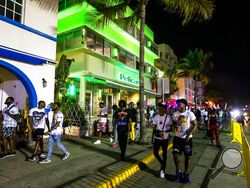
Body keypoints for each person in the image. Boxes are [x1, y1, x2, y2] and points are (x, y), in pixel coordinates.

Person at [172, 98, 197, 184]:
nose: (178, 105)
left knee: (188, 157)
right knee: (175, 155)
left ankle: (186, 174)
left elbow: (195, 125)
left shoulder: (190, 113)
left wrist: (188, 135)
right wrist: (176, 124)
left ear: (185, 105)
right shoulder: (175, 114)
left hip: (187, 139)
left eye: (180, 103)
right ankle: (178, 172)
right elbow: (173, 124)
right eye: (178, 103)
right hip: (177, 138)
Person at [152, 103, 172, 179]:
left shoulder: (168, 117)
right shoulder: (156, 117)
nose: (160, 110)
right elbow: (154, 127)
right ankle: (162, 163)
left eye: (161, 108)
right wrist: (155, 134)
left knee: (164, 154)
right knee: (155, 152)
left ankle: (163, 170)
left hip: (165, 138)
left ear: (165, 110)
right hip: (157, 138)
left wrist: (165, 132)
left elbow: (171, 128)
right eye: (159, 108)